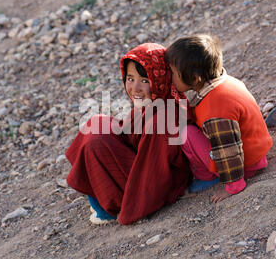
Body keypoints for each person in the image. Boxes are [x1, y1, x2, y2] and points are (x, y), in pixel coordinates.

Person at [65, 43, 192, 225]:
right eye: (130, 79)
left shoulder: (161, 120)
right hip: (142, 165)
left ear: (161, 78)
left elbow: (153, 176)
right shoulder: (155, 101)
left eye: (145, 80)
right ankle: (98, 189)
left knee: (96, 144)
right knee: (98, 124)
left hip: (155, 184)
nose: (135, 88)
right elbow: (128, 134)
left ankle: (107, 205)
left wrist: (129, 210)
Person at [165, 34, 273, 203]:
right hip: (257, 154)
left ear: (194, 78)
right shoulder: (227, 82)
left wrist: (233, 187)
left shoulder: (215, 109)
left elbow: (227, 149)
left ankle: (207, 176)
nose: (170, 77)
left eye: (173, 73)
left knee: (186, 135)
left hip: (246, 165)